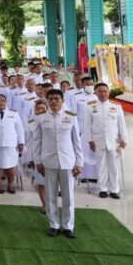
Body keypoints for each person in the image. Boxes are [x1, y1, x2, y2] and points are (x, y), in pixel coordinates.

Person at [27, 90, 83, 238]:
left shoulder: (71, 117)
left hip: (67, 161)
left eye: (56, 99)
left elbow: (77, 142)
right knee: (50, 195)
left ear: (62, 101)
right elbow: (36, 142)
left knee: (68, 196)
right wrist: (38, 162)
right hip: (48, 161)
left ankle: (68, 226)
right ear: (47, 101)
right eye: (50, 99)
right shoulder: (40, 118)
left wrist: (79, 162)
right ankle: (54, 225)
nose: (53, 102)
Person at [81, 83, 128, 199]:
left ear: (108, 92)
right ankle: (103, 188)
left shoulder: (116, 106)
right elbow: (87, 126)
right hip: (98, 140)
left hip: (114, 140)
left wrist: (124, 139)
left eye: (105, 91)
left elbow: (122, 125)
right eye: (100, 91)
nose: (102, 93)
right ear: (96, 92)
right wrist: (90, 140)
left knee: (114, 165)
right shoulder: (90, 106)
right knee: (101, 165)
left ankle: (114, 189)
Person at [0, 94, 24, 195]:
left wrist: (21, 142)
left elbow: (20, 129)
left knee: (11, 167)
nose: (1, 102)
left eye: (3, 100)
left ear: (6, 102)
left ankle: (10, 184)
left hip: (10, 144)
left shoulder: (14, 114)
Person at [22, 100, 50, 213]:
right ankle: (45, 204)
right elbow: (29, 143)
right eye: (38, 109)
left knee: (52, 183)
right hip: (38, 157)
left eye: (43, 108)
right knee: (41, 182)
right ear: (34, 111)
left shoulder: (53, 120)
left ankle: (52, 204)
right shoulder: (31, 123)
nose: (41, 110)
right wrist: (30, 159)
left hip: (51, 156)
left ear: (47, 109)